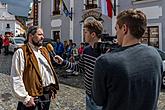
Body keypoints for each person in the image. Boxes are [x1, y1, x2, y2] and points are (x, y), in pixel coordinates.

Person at [92, 9, 162, 110]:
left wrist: (108, 57)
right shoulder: (155, 54)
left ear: (124, 28)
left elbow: (98, 100)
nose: (116, 34)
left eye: (116, 29)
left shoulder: (105, 62)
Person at [55, 18, 103, 110]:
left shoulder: (105, 53)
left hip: (101, 100)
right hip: (89, 96)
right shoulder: (87, 50)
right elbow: (79, 68)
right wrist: (63, 62)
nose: (83, 34)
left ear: (93, 34)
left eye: (85, 32)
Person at [11, 26, 59, 110]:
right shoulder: (21, 52)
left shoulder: (44, 50)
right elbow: (16, 77)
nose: (43, 37)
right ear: (30, 36)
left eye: (43, 35)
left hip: (46, 95)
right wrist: (25, 98)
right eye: (39, 34)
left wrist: (52, 87)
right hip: (32, 98)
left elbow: (47, 72)